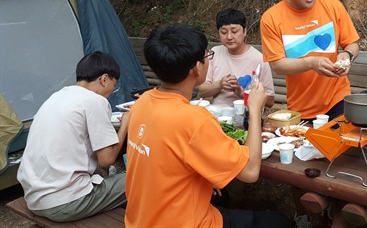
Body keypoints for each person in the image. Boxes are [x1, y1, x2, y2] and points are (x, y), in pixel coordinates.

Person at [124, 23, 290, 228]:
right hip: (184, 223)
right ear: (196, 68)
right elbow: (249, 172)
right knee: (280, 222)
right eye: (207, 57)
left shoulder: (142, 102)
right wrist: (254, 109)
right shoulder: (194, 119)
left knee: (221, 196)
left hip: (141, 219)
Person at [17, 51, 129, 222]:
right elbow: (107, 159)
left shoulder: (57, 96)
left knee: (103, 172)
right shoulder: (95, 101)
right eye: (114, 83)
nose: (113, 89)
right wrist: (126, 123)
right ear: (104, 79)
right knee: (143, 179)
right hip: (64, 204)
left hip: (34, 197)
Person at [260, 0, 360, 120]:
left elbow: (352, 43)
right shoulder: (271, 18)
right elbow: (277, 65)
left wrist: (347, 55)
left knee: (341, 144)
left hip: (338, 98)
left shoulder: (334, 7)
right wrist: (311, 63)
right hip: (301, 108)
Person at [197, 8, 275, 108]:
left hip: (247, 118)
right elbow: (202, 91)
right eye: (224, 32)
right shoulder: (214, 53)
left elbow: (270, 101)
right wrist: (220, 84)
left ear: (244, 31)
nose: (229, 37)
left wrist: (241, 93)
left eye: (234, 31)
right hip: (217, 116)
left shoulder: (259, 59)